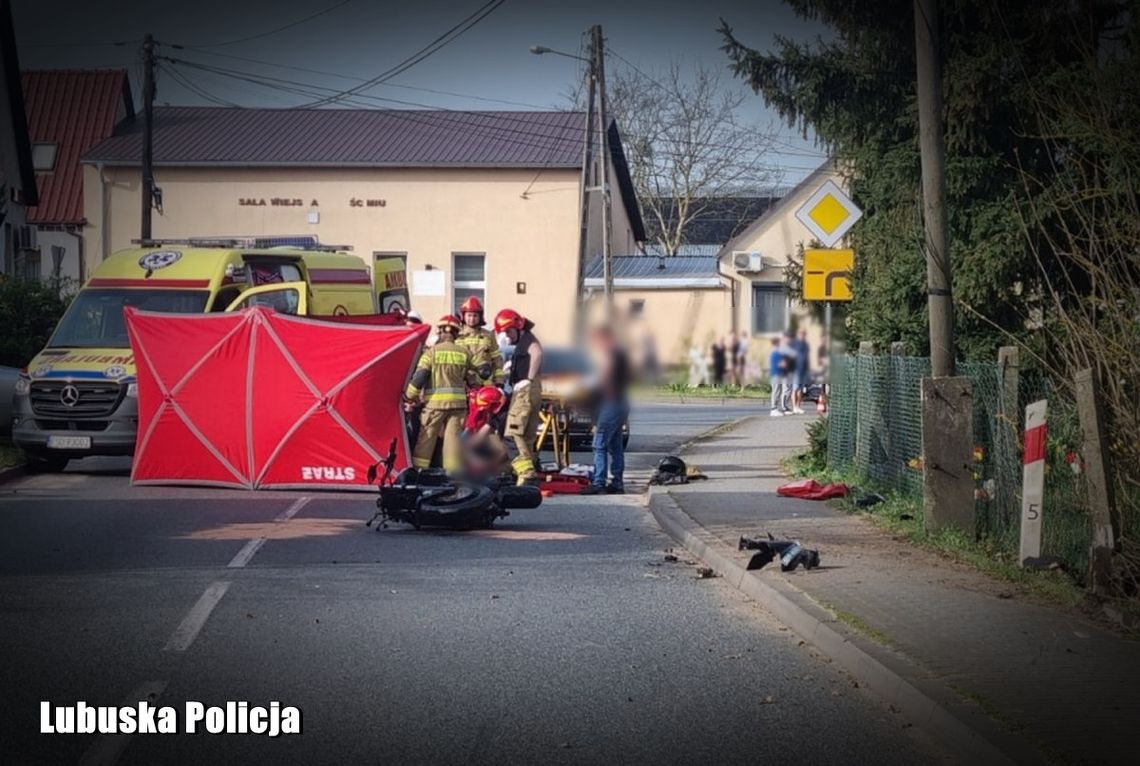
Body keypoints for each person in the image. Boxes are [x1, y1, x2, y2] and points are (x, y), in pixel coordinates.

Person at [404, 315, 486, 473]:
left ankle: (419, 473)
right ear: (456, 333)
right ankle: (452, 477)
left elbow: (420, 376)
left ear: (440, 332)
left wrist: (409, 396)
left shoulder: (431, 353)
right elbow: (477, 374)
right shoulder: (464, 353)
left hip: (434, 406)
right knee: (453, 443)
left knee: (426, 441)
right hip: (458, 407)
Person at [494, 308, 543, 486]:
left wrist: (528, 379)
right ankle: (526, 473)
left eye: (508, 331)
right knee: (527, 436)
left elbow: (537, 354)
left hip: (525, 390)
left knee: (512, 433)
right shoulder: (524, 340)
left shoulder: (528, 339)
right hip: (530, 389)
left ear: (518, 327)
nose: (506, 335)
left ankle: (526, 472)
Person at [582, 326, 630, 495]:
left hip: (611, 403)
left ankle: (599, 482)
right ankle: (617, 483)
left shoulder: (610, 354)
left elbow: (604, 378)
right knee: (615, 445)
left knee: (599, 444)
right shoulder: (620, 353)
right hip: (621, 403)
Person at [456, 296, 506, 388]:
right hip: (462, 384)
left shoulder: (488, 335)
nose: (472, 318)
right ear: (463, 316)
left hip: (485, 384)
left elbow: (497, 360)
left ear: (480, 317)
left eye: (475, 315)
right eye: (469, 315)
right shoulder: (457, 335)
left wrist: (499, 381)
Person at [464, 385, 509, 475]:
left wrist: (488, 465)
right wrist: (465, 447)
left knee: (497, 473)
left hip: (513, 456)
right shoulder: (495, 414)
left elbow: (509, 449)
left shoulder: (506, 417)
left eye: (486, 408)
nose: (485, 412)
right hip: (504, 450)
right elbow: (483, 433)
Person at [791, 329, 811, 415]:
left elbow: (807, 357)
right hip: (796, 369)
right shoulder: (795, 344)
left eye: (804, 334)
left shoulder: (806, 344)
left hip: (804, 369)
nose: (803, 336)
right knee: (795, 388)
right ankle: (794, 407)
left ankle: (798, 406)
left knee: (801, 389)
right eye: (801, 334)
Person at [769, 337, 789, 417]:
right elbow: (781, 364)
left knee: (778, 390)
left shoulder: (777, 352)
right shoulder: (775, 352)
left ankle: (775, 408)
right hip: (776, 374)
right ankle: (773, 409)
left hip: (778, 374)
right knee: (776, 391)